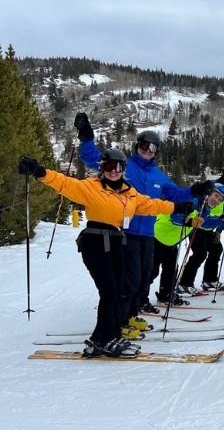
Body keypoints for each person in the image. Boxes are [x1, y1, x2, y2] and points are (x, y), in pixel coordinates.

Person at [18, 151, 195, 357]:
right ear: (102, 168)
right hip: (95, 241)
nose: (114, 172)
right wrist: (39, 172)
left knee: (120, 291)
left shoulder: (130, 193)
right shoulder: (91, 187)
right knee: (109, 291)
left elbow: (151, 205)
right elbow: (65, 184)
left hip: (118, 241)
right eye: (110, 167)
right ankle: (102, 339)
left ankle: (110, 335)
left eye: (119, 167)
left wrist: (176, 207)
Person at [74, 113, 210, 325]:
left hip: (148, 233)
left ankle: (131, 314)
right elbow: (91, 156)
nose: (147, 150)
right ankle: (119, 322)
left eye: (152, 147)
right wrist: (86, 137)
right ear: (137, 146)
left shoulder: (158, 175)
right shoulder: (123, 166)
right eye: (144, 145)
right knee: (128, 279)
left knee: (144, 278)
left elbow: (176, 195)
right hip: (124, 233)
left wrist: (195, 189)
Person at [176, 178, 224, 295]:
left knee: (216, 249)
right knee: (200, 253)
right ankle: (184, 284)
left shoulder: (208, 206)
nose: (216, 200)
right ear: (210, 193)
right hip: (193, 229)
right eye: (215, 195)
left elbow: (207, 221)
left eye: (219, 199)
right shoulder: (197, 201)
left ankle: (209, 280)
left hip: (203, 228)